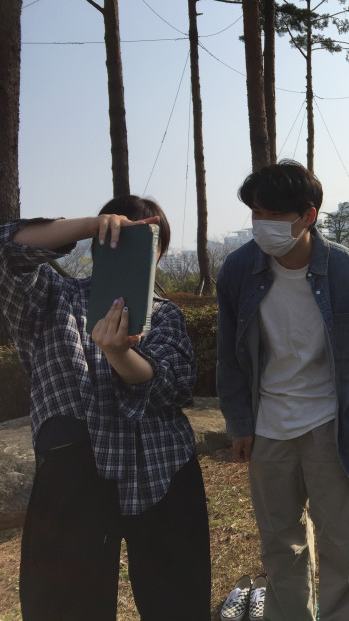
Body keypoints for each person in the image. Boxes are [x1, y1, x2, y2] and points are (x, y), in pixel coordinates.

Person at [0, 196, 210, 620]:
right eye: (116, 238)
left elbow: (173, 384)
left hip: (162, 464)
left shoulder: (166, 315)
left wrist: (119, 354)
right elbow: (7, 251)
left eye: (146, 241)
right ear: (97, 244)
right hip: (71, 476)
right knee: (65, 605)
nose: (132, 249)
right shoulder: (50, 298)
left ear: (159, 252)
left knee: (178, 601)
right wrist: (87, 225)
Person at [216, 160, 349, 621]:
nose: (262, 225)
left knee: (344, 541)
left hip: (331, 424)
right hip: (267, 425)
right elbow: (229, 354)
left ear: (308, 216)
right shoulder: (238, 270)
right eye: (256, 213)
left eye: (274, 215)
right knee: (280, 543)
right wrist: (239, 423)